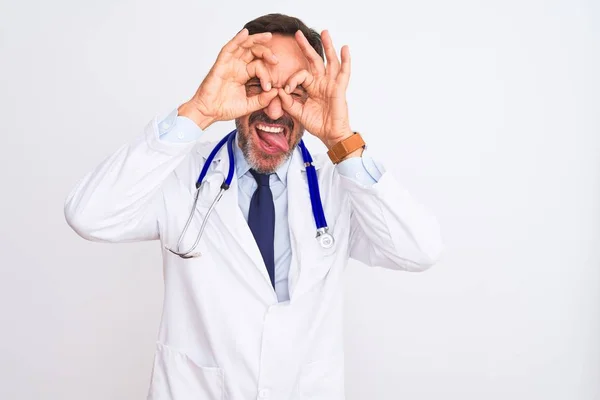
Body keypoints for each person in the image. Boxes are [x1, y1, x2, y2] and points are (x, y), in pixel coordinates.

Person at [64, 12, 442, 400]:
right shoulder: (180, 176)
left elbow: (419, 250)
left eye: (296, 91)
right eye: (256, 85)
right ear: (232, 83)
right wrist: (199, 110)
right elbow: (88, 215)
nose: (275, 110)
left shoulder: (338, 186)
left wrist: (342, 141)